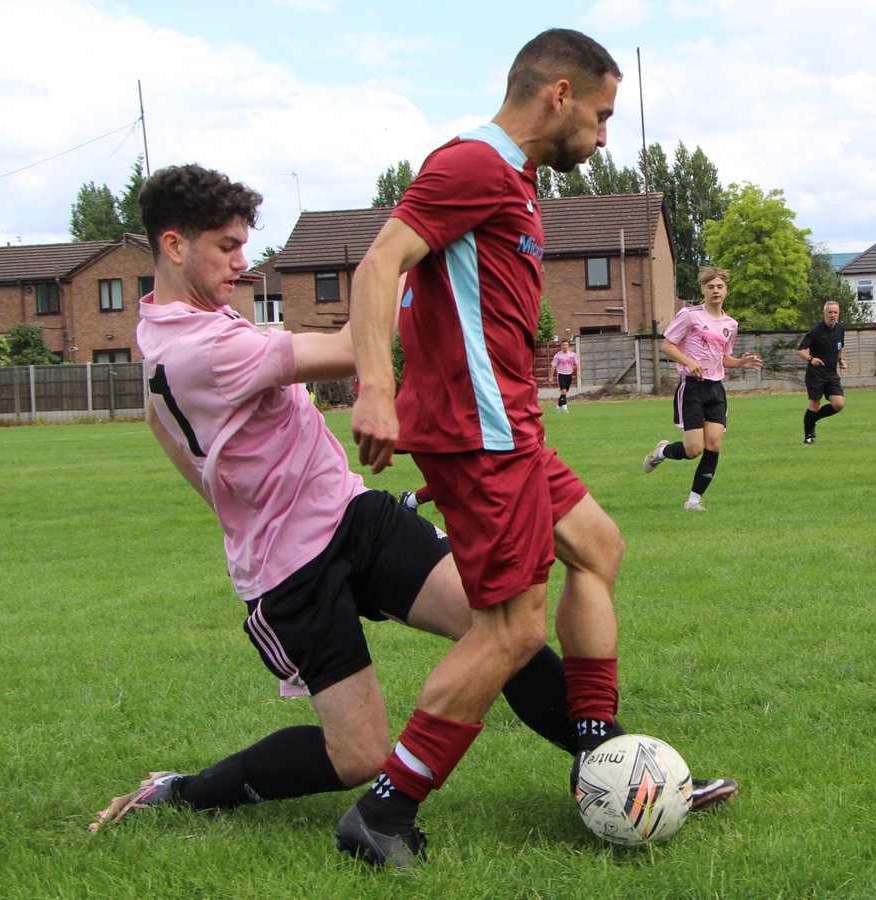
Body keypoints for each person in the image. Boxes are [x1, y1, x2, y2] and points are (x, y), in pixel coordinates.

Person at [88, 163, 598, 838]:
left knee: (503, 626)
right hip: (289, 570)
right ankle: (181, 791)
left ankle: (614, 764)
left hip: (353, 516)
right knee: (357, 755)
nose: (242, 264)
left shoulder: (162, 331)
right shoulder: (203, 346)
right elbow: (351, 349)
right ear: (175, 246)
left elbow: (165, 430)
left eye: (244, 245)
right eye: (226, 247)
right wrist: (413, 266)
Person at [348, 29, 735, 868]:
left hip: (512, 430)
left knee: (598, 547)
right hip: (480, 440)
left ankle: (599, 755)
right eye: (599, 117)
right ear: (558, 93)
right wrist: (376, 389)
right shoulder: (474, 164)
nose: (600, 139)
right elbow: (380, 265)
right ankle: (384, 812)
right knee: (512, 631)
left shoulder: (513, 183)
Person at [641, 267, 762, 510]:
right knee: (693, 449)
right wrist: (689, 362)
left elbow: (723, 357)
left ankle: (694, 501)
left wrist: (740, 363)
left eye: (719, 286)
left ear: (726, 290)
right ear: (703, 290)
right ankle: (662, 452)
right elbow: (667, 346)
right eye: (710, 286)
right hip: (692, 388)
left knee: (714, 444)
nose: (715, 290)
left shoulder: (730, 324)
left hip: (716, 389)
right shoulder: (689, 315)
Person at [797, 300, 847, 445]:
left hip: (831, 374)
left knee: (838, 404)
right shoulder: (816, 331)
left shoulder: (840, 329)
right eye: (830, 312)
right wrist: (811, 358)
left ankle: (813, 419)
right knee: (814, 404)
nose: (832, 315)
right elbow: (800, 350)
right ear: (824, 313)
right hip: (816, 374)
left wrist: (841, 360)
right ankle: (807, 438)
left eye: (835, 312)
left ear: (838, 314)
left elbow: (841, 346)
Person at [549, 340, 580, 412]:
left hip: (569, 374)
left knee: (565, 392)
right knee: (564, 391)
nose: (565, 346)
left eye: (566, 345)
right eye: (563, 345)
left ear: (568, 346)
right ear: (561, 346)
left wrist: (578, 372)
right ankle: (565, 408)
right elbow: (553, 366)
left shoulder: (573, 354)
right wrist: (551, 377)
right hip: (561, 374)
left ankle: (558, 406)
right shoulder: (558, 355)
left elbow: (577, 363)